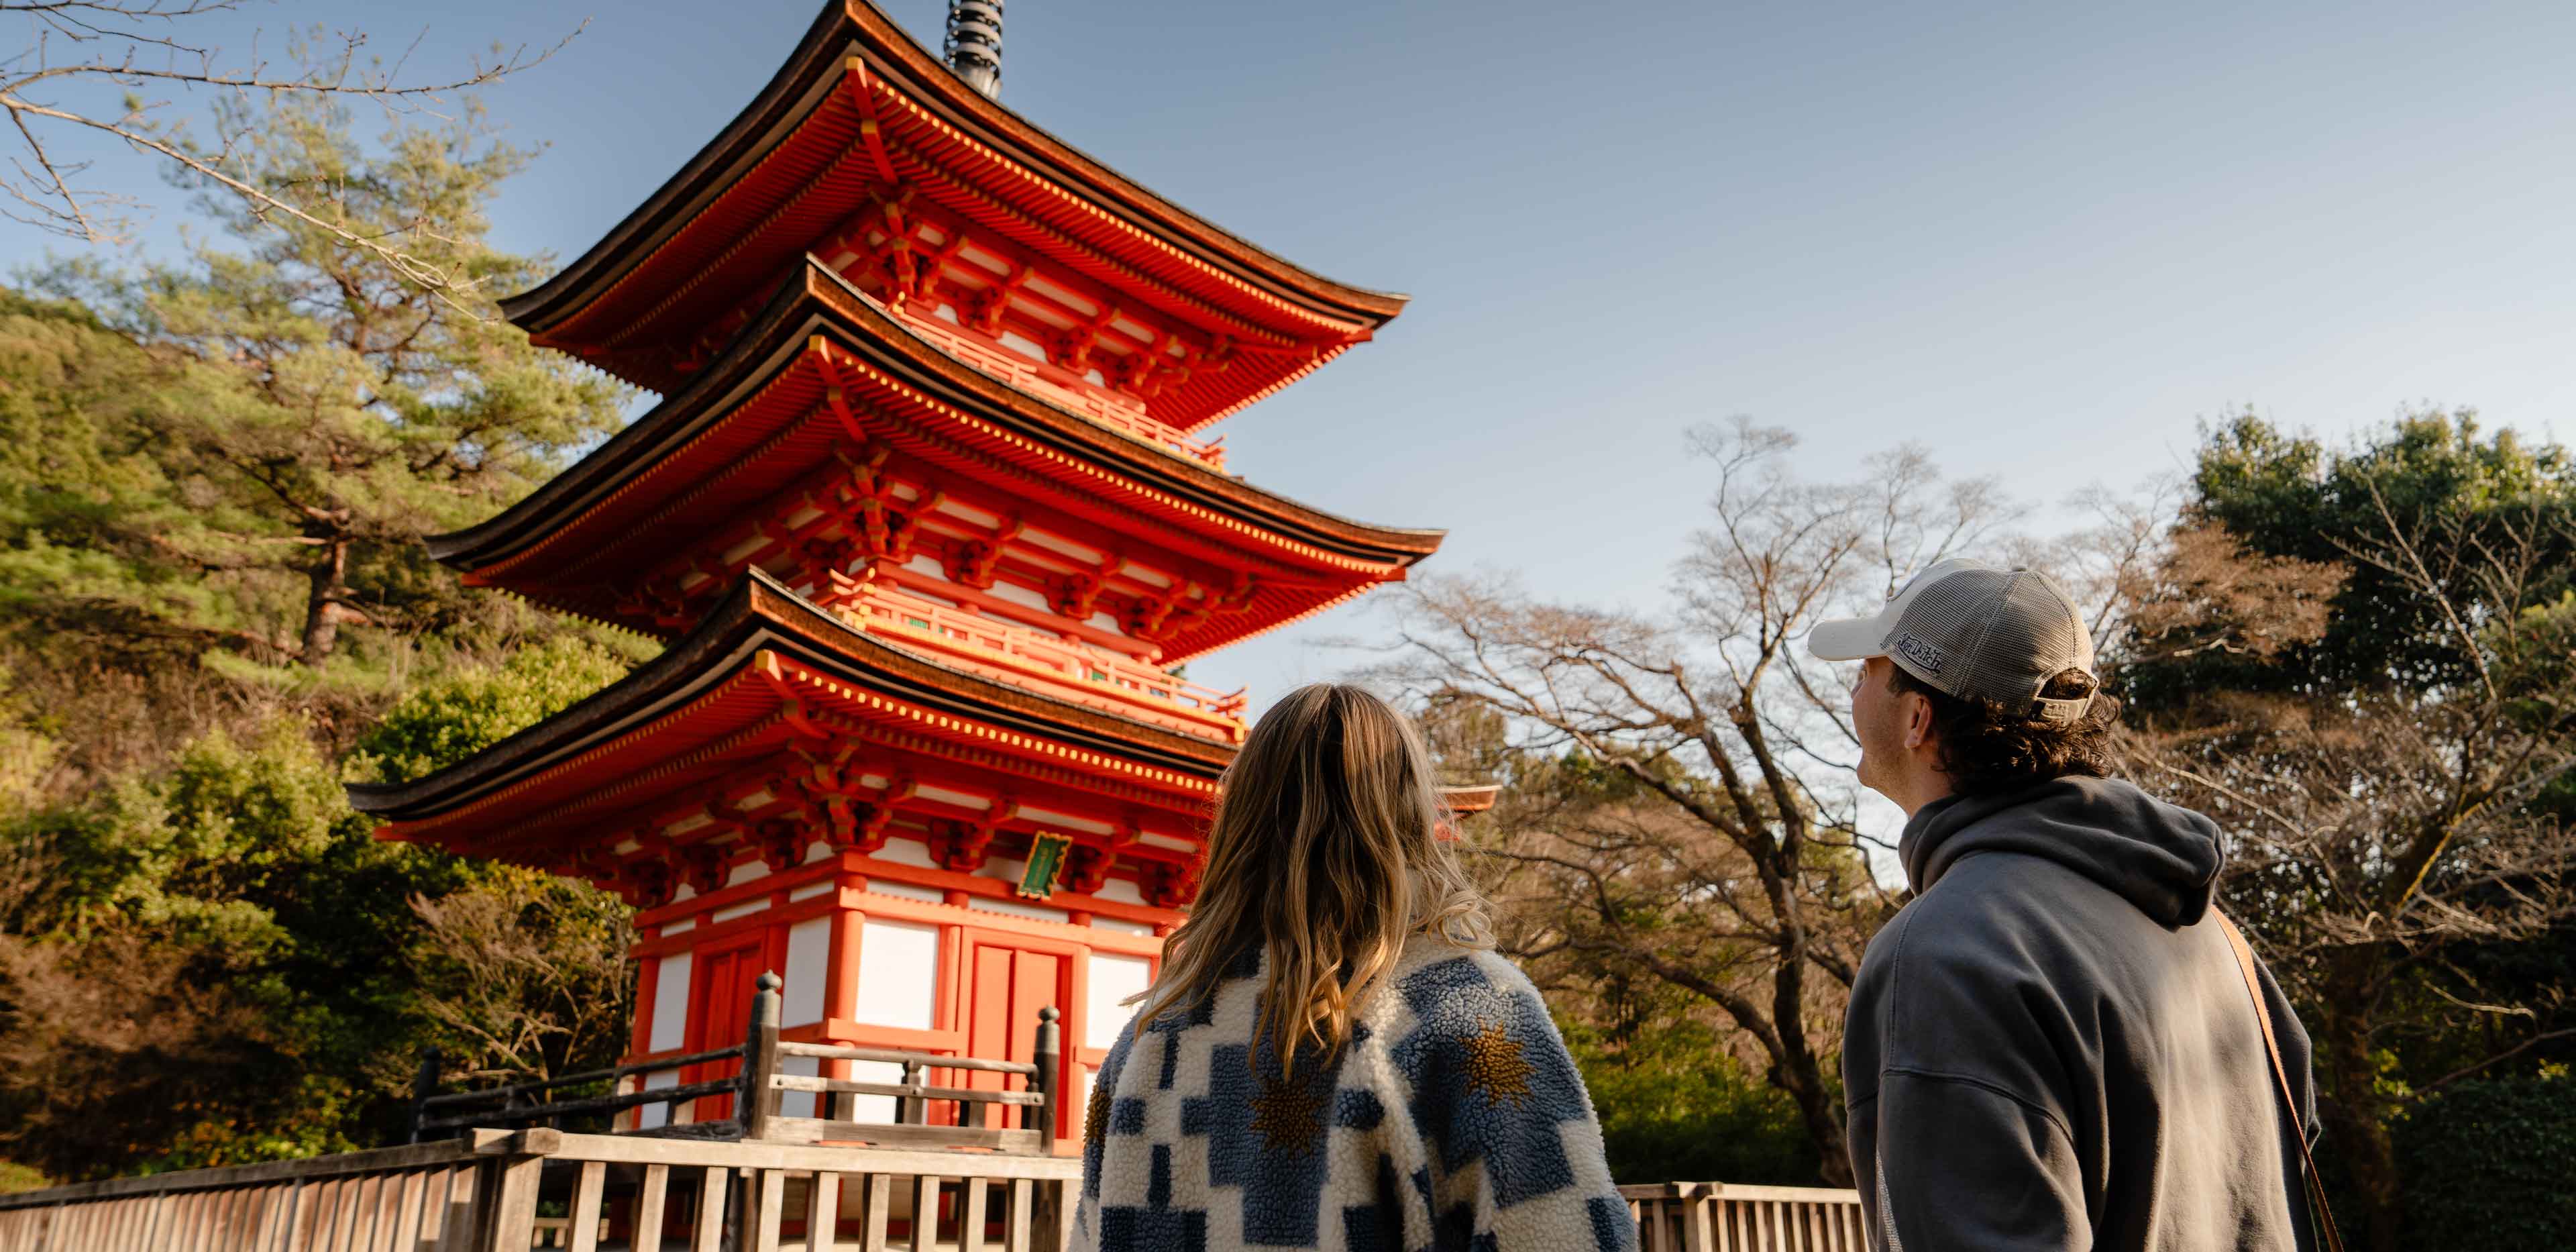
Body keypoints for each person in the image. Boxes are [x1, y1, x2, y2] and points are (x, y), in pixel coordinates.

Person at [1810, 559, 2333, 1252]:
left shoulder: (1948, 954)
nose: (1853, 692)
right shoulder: (2214, 936)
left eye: (1867, 672)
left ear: (1916, 718)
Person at [1073, 683, 1635, 1252]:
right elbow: (1559, 1227)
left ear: (1239, 819)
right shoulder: (1471, 1009)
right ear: (1411, 813)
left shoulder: (1150, 1037)